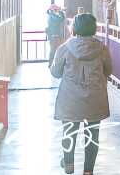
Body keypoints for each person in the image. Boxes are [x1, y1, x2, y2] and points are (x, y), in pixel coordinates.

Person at [50, 13, 112, 175]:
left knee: (69, 133)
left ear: (74, 28)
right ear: (93, 28)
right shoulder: (102, 48)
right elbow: (109, 71)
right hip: (94, 98)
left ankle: (69, 165)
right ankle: (88, 171)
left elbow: (55, 73)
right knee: (92, 136)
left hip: (70, 99)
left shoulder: (64, 48)